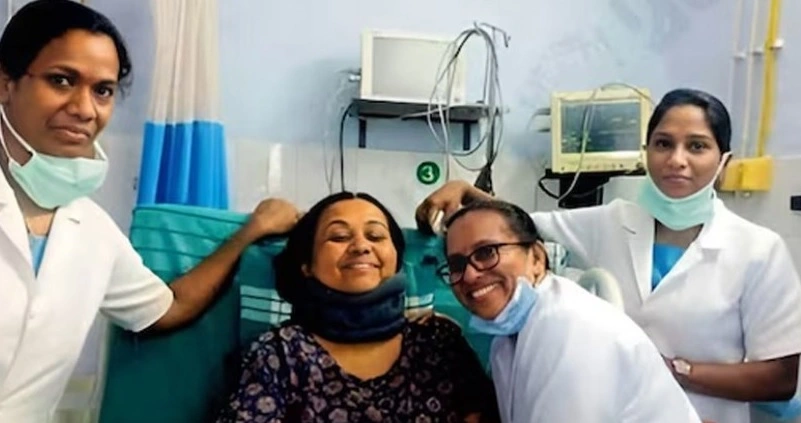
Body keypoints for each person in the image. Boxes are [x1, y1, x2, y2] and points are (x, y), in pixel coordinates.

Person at [417, 88, 801, 423]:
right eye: (663, 144)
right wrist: (465, 192)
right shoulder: (612, 221)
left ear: (724, 160)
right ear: (647, 152)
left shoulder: (759, 250)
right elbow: (517, 228)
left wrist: (670, 371)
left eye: (697, 146)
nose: (676, 159)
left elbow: (780, 379)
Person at [0, 1, 300, 421]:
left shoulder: (92, 232)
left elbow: (167, 308)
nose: (84, 108)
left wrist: (251, 231)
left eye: (103, 90)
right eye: (61, 80)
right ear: (6, 84)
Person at [217, 191, 499, 422]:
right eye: (339, 237)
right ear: (307, 265)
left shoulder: (438, 342)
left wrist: (468, 194)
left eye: (375, 236)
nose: (361, 246)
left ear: (396, 260)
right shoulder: (279, 354)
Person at [440, 199, 701, 422]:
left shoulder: (569, 329)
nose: (470, 275)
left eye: (486, 252)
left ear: (537, 258)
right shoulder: (507, 338)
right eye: (457, 265)